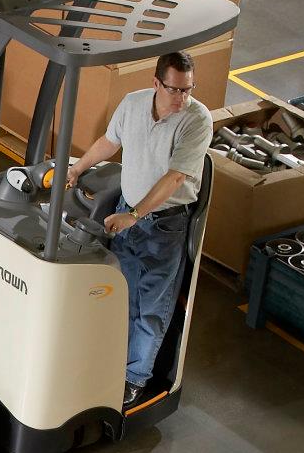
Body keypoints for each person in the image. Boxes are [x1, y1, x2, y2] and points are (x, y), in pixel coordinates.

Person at [65, 50, 214, 409]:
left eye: (188, 90)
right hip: (125, 214)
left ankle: (134, 380)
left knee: (150, 305)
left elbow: (175, 177)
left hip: (164, 224)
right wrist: (77, 169)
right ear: (156, 83)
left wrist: (135, 214)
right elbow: (109, 141)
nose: (182, 98)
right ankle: (110, 366)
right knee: (120, 295)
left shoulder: (196, 120)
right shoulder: (132, 104)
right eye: (175, 90)